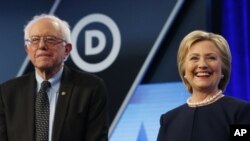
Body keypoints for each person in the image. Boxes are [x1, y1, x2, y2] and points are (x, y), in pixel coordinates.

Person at [0, 14, 109, 141]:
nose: (41, 46)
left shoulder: (90, 88)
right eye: (34, 40)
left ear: (67, 49)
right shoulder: (7, 93)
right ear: (27, 50)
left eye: (50, 39)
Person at [157, 30, 250, 141]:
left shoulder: (241, 112)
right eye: (194, 58)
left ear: (223, 69)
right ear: (184, 71)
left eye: (211, 58)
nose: (202, 65)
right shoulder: (168, 120)